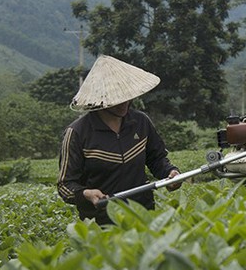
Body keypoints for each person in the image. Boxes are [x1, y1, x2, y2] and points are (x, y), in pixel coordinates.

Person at [57, 55, 180, 225]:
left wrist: (170, 173)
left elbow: (157, 158)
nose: (124, 103)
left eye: (126, 96)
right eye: (115, 98)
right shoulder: (77, 133)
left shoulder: (140, 122)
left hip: (142, 215)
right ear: (99, 98)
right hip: (100, 221)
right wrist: (87, 194)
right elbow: (65, 185)